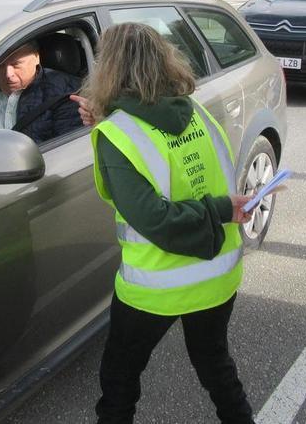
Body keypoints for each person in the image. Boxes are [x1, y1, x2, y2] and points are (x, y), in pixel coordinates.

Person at [80, 22, 255, 424]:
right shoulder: (194, 114)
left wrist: (219, 210)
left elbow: (154, 220)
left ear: (108, 70)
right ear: (164, 60)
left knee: (119, 380)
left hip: (155, 287)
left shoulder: (117, 135)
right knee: (216, 367)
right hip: (216, 275)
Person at [0, 41, 83, 144]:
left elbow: (65, 151)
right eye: (1, 65)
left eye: (16, 65)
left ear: (36, 57)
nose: (8, 74)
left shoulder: (66, 94)